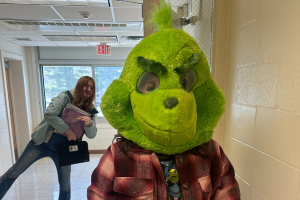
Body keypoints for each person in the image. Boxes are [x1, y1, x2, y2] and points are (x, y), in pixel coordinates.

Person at [87, 1, 240, 199]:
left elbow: (228, 193)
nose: (172, 99)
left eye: (185, 84)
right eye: (150, 86)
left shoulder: (211, 154)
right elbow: (97, 195)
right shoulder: (118, 156)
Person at [0, 76, 98, 200]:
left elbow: (92, 134)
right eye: (85, 85)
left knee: (65, 187)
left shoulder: (91, 110)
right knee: (13, 172)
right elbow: (49, 114)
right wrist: (68, 131)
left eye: (91, 87)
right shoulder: (65, 97)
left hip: (64, 151)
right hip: (41, 143)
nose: (88, 89)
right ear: (79, 86)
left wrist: (89, 124)